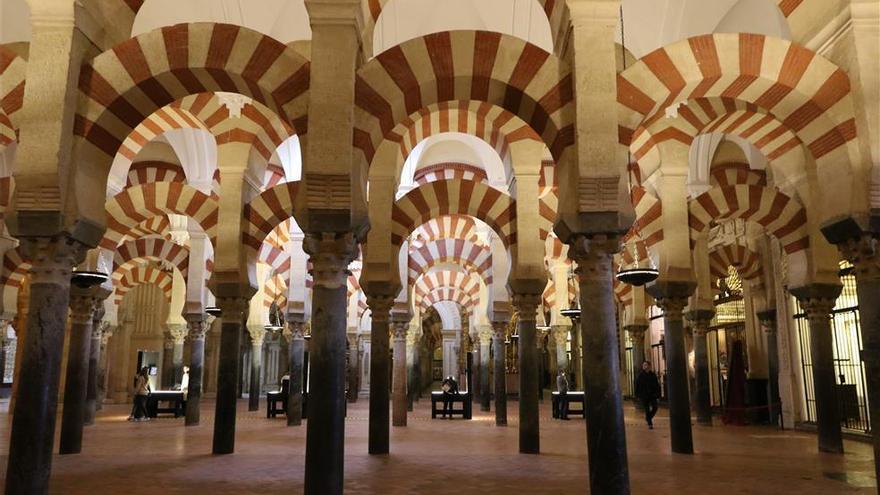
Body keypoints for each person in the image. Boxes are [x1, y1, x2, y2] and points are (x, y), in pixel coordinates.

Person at [634, 361, 661, 429]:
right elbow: (637, 385)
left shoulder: (653, 375)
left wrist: (657, 394)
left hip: (652, 395)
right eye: (643, 365)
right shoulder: (640, 375)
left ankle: (648, 418)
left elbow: (656, 385)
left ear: (649, 366)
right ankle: (650, 424)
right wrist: (637, 395)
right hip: (644, 395)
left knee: (655, 407)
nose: (644, 366)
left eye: (645, 365)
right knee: (647, 409)